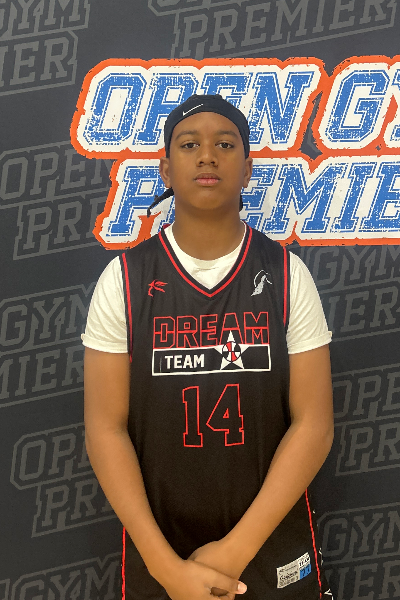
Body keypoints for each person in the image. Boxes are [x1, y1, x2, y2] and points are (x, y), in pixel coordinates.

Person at [82, 94, 334, 600]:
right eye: (188, 144)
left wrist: (233, 552)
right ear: (165, 170)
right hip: (163, 550)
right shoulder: (124, 279)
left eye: (225, 144)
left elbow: (315, 424)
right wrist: (166, 568)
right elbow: (105, 429)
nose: (207, 156)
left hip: (269, 543)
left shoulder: (288, 274)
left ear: (248, 170)